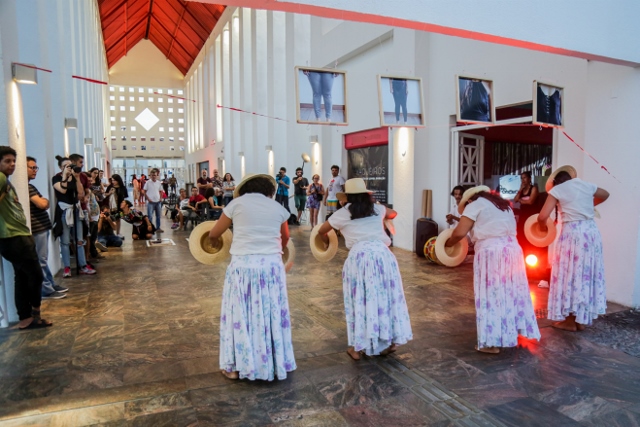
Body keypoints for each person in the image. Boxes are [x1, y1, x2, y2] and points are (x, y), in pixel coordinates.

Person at [208, 173, 295, 380]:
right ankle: (273, 363)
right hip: (271, 266)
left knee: (241, 314)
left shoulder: (236, 204)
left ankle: (236, 366)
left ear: (245, 189)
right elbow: (285, 237)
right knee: (270, 312)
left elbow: (214, 233)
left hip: (243, 266)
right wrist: (274, 250)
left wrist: (215, 241)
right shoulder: (277, 207)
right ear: (268, 190)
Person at [316, 178, 412, 360]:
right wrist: (378, 209)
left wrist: (327, 243)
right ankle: (389, 341)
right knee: (385, 297)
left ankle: (357, 347)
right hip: (383, 255)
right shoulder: (377, 208)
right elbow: (393, 213)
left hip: (361, 258)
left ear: (347, 197)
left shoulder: (343, 213)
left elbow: (322, 230)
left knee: (362, 299)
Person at [445, 186, 540, 354]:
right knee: (509, 293)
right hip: (513, 251)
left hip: (491, 252)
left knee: (491, 294)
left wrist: (448, 245)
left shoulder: (474, 204)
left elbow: (459, 233)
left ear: (469, 199)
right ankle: (509, 332)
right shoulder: (503, 206)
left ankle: (491, 342)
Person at [537, 168, 609, 332]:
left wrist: (541, 228)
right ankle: (580, 319)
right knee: (585, 275)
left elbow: (542, 216)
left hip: (573, 235)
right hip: (591, 233)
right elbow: (605, 194)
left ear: (555, 182)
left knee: (570, 274)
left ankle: (570, 320)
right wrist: (589, 205)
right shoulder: (585, 185)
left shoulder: (558, 190)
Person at [0, 146, 51, 329]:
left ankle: (25, 318)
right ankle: (34, 314)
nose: (12, 164)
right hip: (14, 237)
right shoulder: (0, 178)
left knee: (22, 277)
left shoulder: (5, 180)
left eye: (14, 161)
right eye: (7, 161)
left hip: (17, 235)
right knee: (35, 276)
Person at [27, 156, 68, 299]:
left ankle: (50, 284)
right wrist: (43, 200)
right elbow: (43, 204)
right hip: (37, 229)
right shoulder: (27, 188)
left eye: (36, 168)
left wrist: (44, 201)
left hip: (42, 228)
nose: (35, 170)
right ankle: (46, 290)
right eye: (31, 168)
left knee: (43, 259)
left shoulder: (31, 186)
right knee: (41, 260)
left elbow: (45, 203)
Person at [52, 155, 96, 277]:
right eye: (65, 166)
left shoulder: (76, 177)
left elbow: (80, 194)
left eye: (69, 166)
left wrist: (76, 178)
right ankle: (67, 267)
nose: (68, 168)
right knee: (65, 241)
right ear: (60, 168)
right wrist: (65, 176)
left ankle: (82, 265)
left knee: (79, 240)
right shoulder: (56, 178)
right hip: (64, 211)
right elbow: (62, 190)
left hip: (76, 210)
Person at [513, 171, 539, 247]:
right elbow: (515, 199)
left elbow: (530, 201)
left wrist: (521, 201)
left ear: (529, 179)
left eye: (524, 178)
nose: (523, 180)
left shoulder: (533, 188)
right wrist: (520, 189)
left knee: (530, 233)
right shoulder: (522, 190)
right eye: (521, 178)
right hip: (523, 215)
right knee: (521, 233)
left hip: (531, 215)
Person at [143, 168, 164, 233]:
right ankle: (150, 228)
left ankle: (158, 228)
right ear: (150, 176)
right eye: (152, 175)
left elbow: (161, 191)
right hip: (151, 202)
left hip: (158, 202)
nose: (153, 176)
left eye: (154, 175)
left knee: (158, 216)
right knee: (150, 216)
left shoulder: (158, 183)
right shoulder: (148, 183)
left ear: (156, 175)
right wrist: (148, 199)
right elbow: (144, 191)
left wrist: (161, 198)